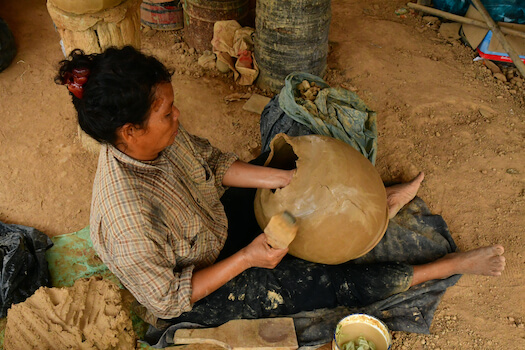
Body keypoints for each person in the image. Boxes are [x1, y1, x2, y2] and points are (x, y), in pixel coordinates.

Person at [56, 46, 505, 332]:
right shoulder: (127, 218)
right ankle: (447, 266)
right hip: (200, 290)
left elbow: (212, 164)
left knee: (288, 151)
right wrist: (249, 258)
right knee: (325, 284)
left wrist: (284, 178)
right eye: (168, 114)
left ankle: (377, 203)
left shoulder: (157, 142)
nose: (178, 117)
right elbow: (169, 299)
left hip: (207, 222)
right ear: (130, 132)